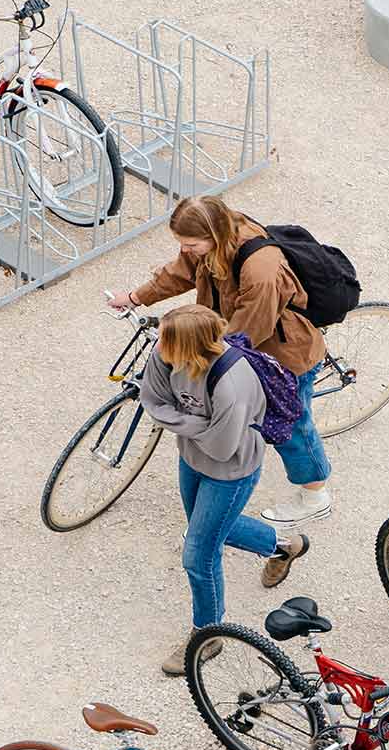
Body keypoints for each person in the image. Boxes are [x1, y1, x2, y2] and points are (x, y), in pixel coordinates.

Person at [107, 193, 333, 525]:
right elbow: (181, 271)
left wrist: (198, 354)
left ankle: (315, 495)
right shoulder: (212, 239)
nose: (185, 250)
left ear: (214, 234)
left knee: (292, 426)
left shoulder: (262, 271)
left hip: (283, 354)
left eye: (191, 244)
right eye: (181, 243)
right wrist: (137, 297)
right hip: (235, 331)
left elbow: (246, 334)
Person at [134, 306, 307, 675]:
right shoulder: (165, 355)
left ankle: (208, 634)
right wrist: (199, 423)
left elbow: (222, 446)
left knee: (198, 555)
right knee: (208, 527)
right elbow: (153, 401)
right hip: (192, 458)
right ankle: (284, 546)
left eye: (166, 339)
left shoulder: (233, 382)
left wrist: (183, 423)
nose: (157, 345)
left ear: (190, 346)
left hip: (231, 472)